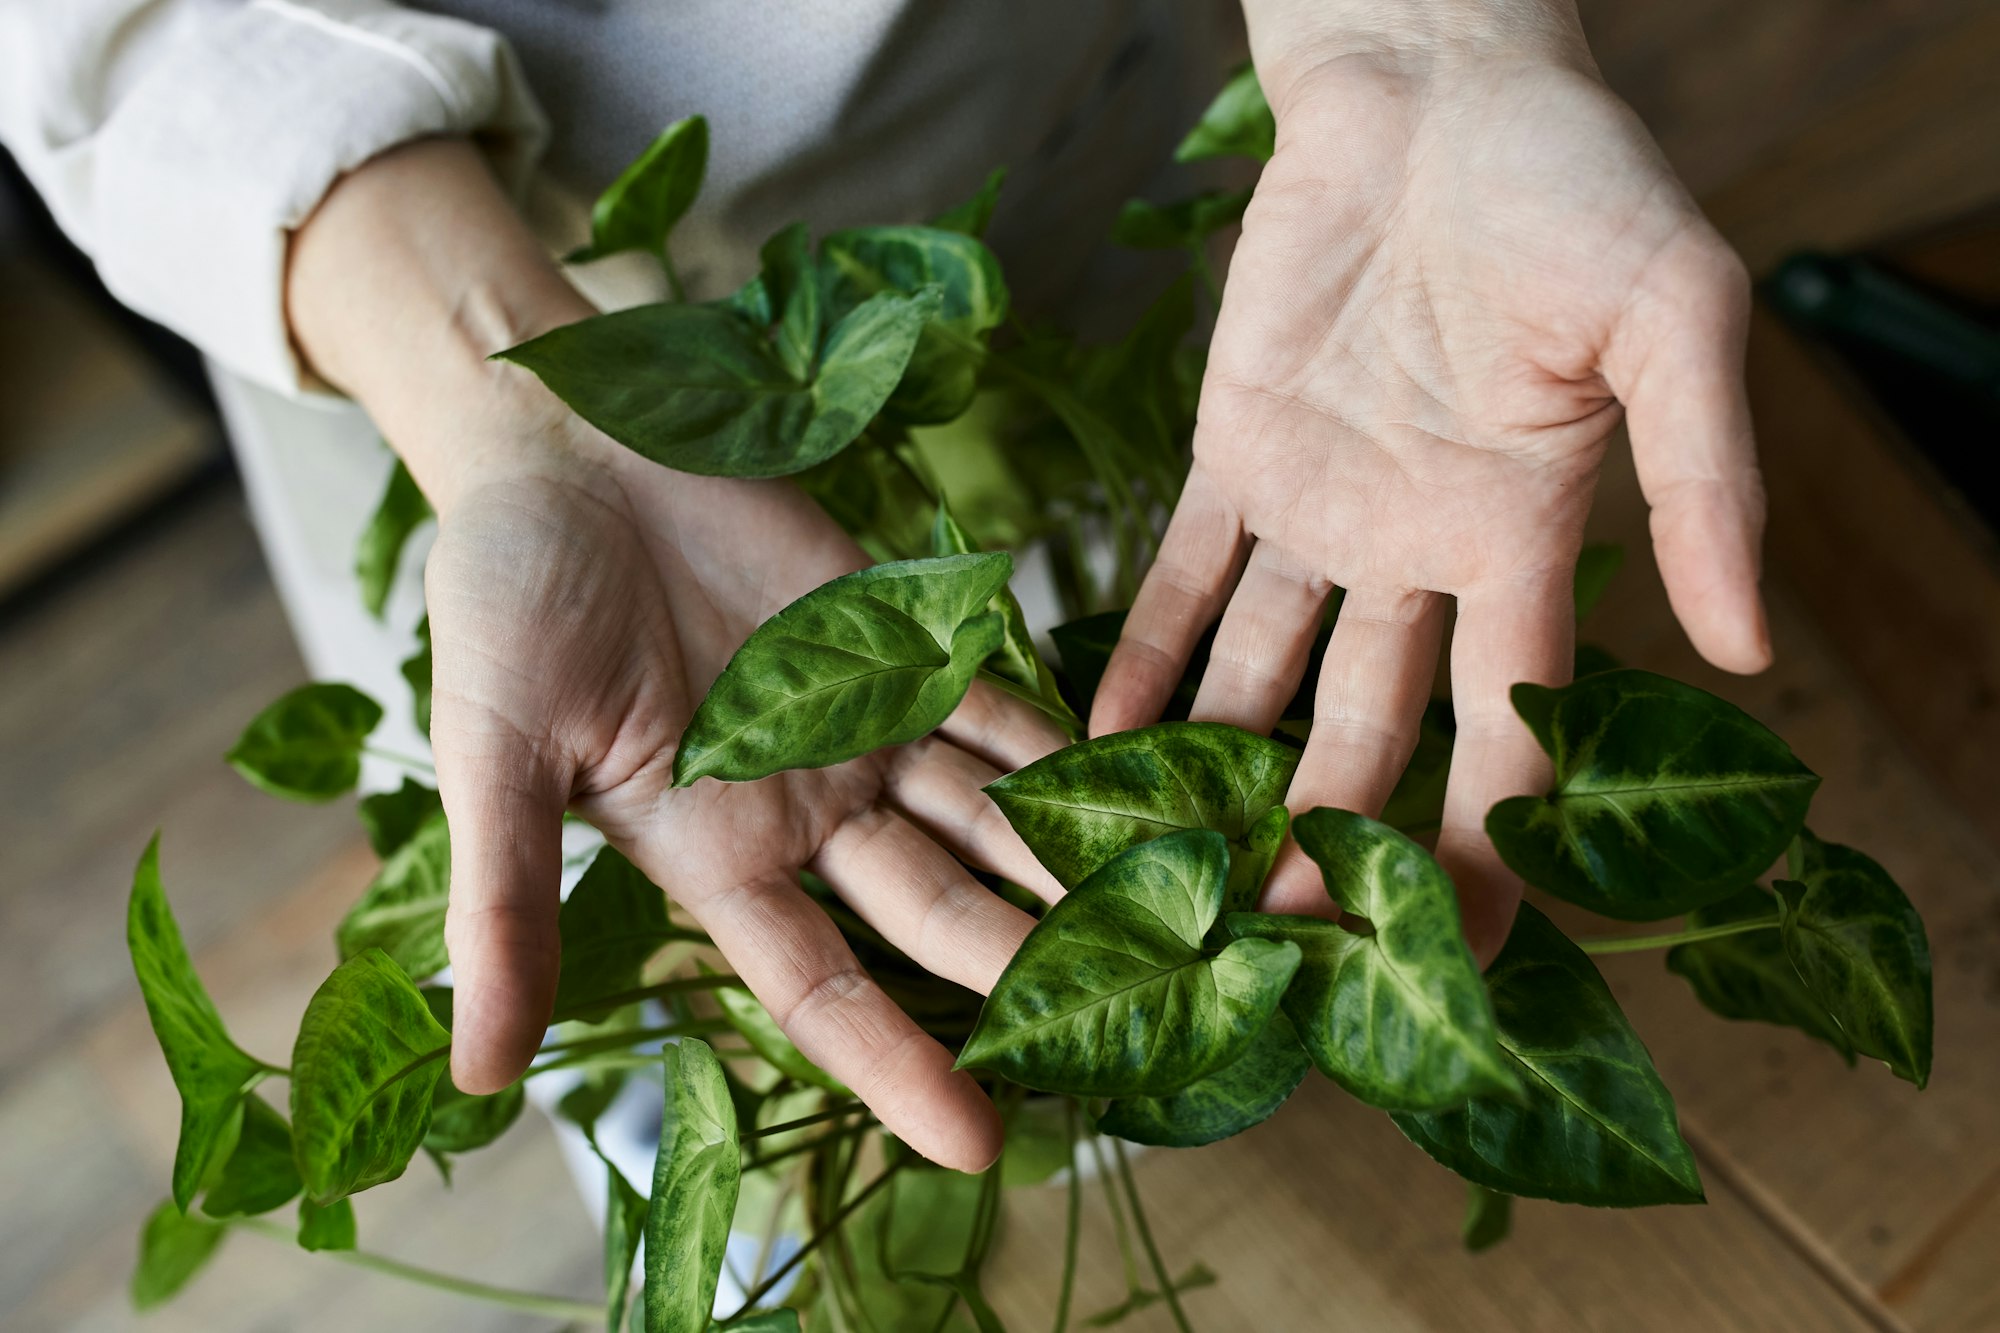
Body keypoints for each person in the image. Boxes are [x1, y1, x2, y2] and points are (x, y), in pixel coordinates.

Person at [1, 0, 1769, 1174]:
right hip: (398, 265)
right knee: (650, 922)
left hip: (1037, 99)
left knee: (1140, 643)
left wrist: (1425, 43)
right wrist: (499, 386)